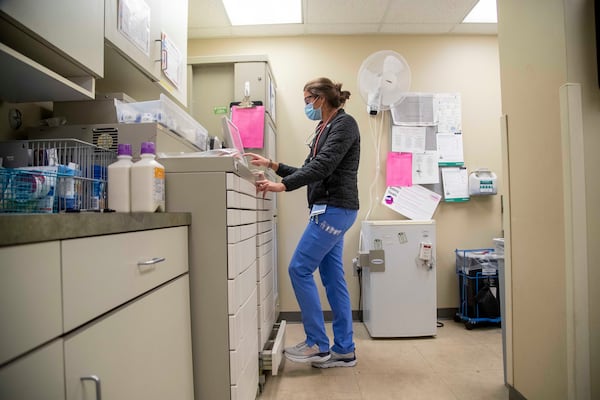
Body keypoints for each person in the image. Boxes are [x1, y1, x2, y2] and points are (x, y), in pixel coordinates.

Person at [244, 77, 360, 368]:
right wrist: (273, 166)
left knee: (298, 268)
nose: (306, 105)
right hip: (330, 209)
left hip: (334, 209)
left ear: (320, 98)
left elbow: (324, 166)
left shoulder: (344, 125)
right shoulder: (324, 127)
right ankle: (344, 350)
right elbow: (309, 168)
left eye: (308, 99)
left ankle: (317, 345)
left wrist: (282, 187)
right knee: (333, 280)